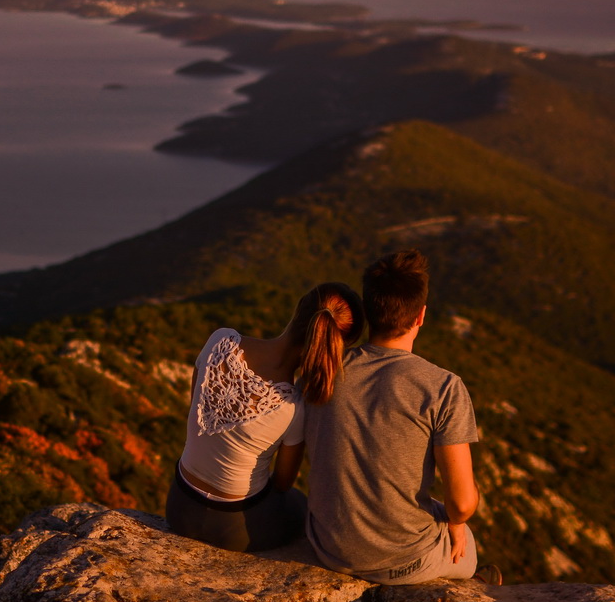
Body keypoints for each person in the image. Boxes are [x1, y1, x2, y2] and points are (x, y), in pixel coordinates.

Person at [305, 249, 497, 584]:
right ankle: (472, 582)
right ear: (421, 316)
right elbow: (463, 503)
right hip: (400, 561)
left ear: (366, 311)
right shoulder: (443, 387)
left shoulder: (324, 369)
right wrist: (456, 521)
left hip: (327, 548)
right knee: (466, 543)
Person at [165, 282, 364, 552]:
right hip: (236, 530)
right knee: (298, 502)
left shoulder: (220, 342)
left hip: (178, 507)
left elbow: (195, 412)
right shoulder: (293, 407)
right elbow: (282, 483)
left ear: (298, 310)